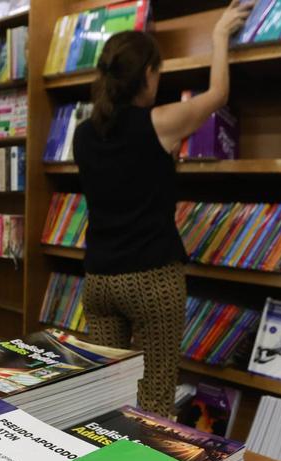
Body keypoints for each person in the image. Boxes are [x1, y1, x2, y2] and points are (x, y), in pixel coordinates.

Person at [72, 2, 251, 418]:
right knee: (154, 401)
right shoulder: (160, 122)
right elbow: (218, 94)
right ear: (148, 74)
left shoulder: (83, 134)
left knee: (105, 396)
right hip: (151, 279)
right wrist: (220, 35)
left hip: (98, 279)